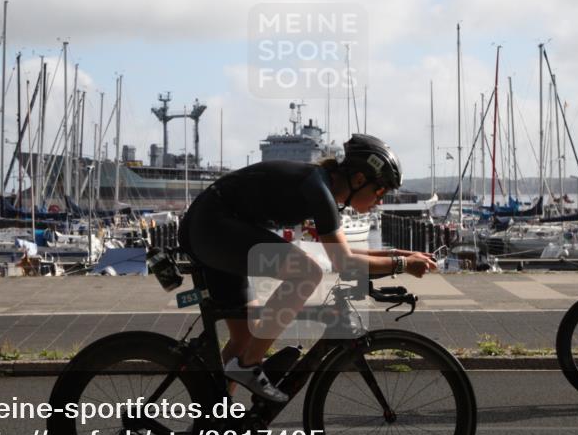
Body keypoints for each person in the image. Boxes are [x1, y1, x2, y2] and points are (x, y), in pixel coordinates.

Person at [178, 134, 437, 402]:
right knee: (307, 272)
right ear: (359, 180)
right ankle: (249, 366)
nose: (380, 201)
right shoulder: (319, 190)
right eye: (381, 190)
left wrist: (400, 254)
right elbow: (344, 263)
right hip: (212, 228)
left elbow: (337, 253)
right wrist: (403, 264)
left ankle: (214, 422)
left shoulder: (320, 186)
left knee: (244, 338)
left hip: (214, 228)